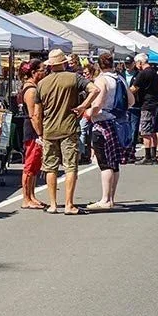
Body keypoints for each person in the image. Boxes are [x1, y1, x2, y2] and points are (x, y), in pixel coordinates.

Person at [31, 48, 100, 215]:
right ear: (64, 63)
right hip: (69, 128)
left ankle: (53, 204)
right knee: (70, 167)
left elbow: (37, 112)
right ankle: (69, 204)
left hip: (49, 130)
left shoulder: (41, 84)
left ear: (50, 65)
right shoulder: (74, 78)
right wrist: (84, 105)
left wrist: (40, 132)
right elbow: (95, 89)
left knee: (50, 167)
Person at [84, 51, 126, 211]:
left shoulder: (101, 80)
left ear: (99, 65)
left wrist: (89, 112)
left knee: (105, 162)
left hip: (102, 122)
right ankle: (111, 198)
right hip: (116, 121)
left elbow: (98, 103)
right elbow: (131, 100)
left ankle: (105, 199)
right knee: (114, 163)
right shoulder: (120, 78)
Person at [17, 60, 47, 210]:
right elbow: (34, 115)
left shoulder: (35, 87)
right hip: (32, 130)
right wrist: (40, 134)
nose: (45, 72)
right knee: (29, 165)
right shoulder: (31, 90)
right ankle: (26, 198)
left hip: (34, 129)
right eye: (42, 69)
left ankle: (32, 196)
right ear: (34, 72)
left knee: (35, 165)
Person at [131, 53, 158, 164]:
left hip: (147, 104)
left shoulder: (143, 74)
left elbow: (134, 88)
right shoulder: (155, 73)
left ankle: (148, 156)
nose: (136, 65)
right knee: (153, 130)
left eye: (136, 63)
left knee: (145, 131)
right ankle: (154, 156)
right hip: (156, 104)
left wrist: (125, 94)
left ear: (140, 62)